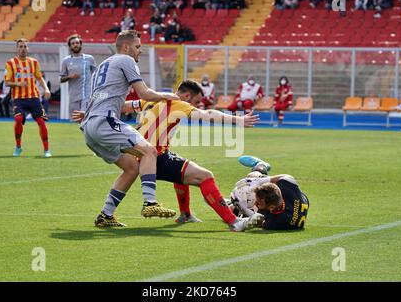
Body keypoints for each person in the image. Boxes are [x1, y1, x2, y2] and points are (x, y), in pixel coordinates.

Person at [73, 80, 259, 231]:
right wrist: (238, 120)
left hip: (137, 152)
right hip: (154, 157)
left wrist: (91, 113)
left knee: (179, 168)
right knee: (205, 176)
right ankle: (234, 222)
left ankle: (184, 214)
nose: (194, 106)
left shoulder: (153, 100)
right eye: (194, 101)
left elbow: (123, 106)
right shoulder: (178, 103)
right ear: (186, 96)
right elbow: (207, 114)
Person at [79, 30, 180, 226]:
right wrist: (168, 96)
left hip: (90, 127)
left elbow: (114, 102)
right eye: (137, 47)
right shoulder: (126, 61)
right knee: (149, 151)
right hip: (104, 122)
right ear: (126, 47)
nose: (139, 51)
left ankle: (105, 216)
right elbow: (145, 93)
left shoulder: (103, 65)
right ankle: (150, 202)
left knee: (131, 168)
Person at [227, 155, 309, 231]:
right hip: (296, 198)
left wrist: (245, 210)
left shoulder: (276, 221)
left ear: (271, 208)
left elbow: (256, 221)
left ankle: (228, 202)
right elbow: (288, 177)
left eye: (258, 203)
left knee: (231, 209)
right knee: (253, 176)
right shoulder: (287, 188)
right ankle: (261, 165)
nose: (256, 203)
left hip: (287, 212)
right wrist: (258, 181)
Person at [4, 38, 52, 157]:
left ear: (28, 48)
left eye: (25, 46)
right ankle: (18, 147)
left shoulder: (34, 62)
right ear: (17, 48)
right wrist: (18, 84)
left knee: (41, 121)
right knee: (19, 119)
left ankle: (47, 150)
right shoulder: (10, 63)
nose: (23, 49)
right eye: (20, 46)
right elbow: (7, 82)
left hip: (33, 97)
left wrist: (46, 89)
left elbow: (40, 78)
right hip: (18, 98)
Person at [60, 34, 97, 118]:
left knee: (86, 118)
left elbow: (96, 74)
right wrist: (70, 77)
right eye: (73, 43)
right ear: (70, 46)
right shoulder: (66, 61)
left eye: (77, 43)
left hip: (87, 95)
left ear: (80, 44)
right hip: (73, 95)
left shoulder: (89, 58)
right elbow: (61, 78)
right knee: (75, 119)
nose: (75, 45)